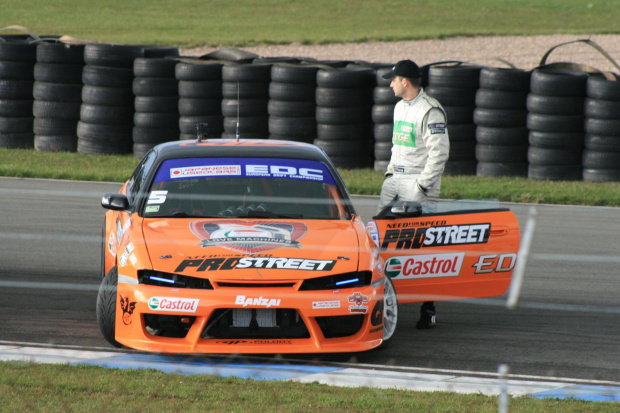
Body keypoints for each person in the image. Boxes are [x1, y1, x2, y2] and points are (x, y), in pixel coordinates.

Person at [378, 59, 450, 329]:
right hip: (394, 179)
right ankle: (381, 298)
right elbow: (397, 146)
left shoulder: (431, 110)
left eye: (393, 79)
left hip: (419, 184)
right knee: (379, 237)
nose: (390, 83)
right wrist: (389, 175)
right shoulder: (398, 107)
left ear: (405, 81)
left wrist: (421, 186)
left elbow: (439, 154)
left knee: (421, 247)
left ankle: (428, 308)